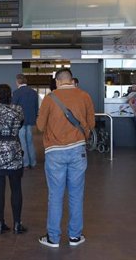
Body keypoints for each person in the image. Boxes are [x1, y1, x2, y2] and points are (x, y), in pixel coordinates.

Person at [36, 68, 95, 248]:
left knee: (55, 195)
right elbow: (91, 123)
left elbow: (39, 126)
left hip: (54, 152)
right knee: (76, 194)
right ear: (71, 81)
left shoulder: (49, 98)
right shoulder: (84, 96)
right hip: (78, 150)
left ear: (57, 82)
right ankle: (75, 237)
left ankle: (53, 238)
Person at [0, 84, 26, 234]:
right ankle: (17, 224)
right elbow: (20, 125)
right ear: (10, 96)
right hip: (13, 149)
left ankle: (0, 224)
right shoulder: (18, 109)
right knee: (16, 188)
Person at [12, 74, 39, 169]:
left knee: (22, 142)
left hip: (20, 121)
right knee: (30, 141)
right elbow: (36, 107)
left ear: (18, 81)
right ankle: (33, 162)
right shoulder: (33, 92)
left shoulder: (16, 93)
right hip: (31, 120)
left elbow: (13, 107)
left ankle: (26, 163)